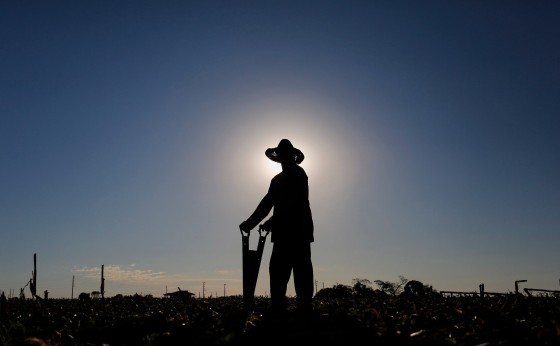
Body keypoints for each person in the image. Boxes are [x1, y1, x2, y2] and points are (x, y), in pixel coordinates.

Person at [239, 139, 314, 315]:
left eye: (287, 154)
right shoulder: (276, 180)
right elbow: (267, 203)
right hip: (282, 231)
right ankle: (278, 306)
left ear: (292, 156)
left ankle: (305, 307)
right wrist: (250, 223)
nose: (284, 158)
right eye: (281, 155)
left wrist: (272, 221)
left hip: (299, 229)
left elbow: (292, 202)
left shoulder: (298, 173)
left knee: (301, 268)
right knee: (278, 269)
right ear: (279, 157)